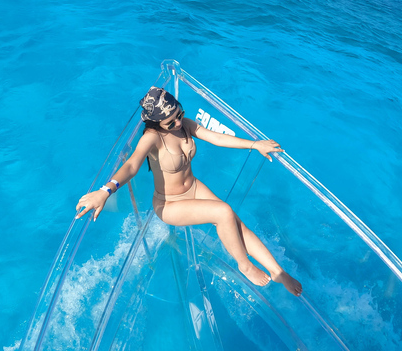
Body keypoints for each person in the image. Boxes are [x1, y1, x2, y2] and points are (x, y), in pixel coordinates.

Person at [76, 86, 302, 296]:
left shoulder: (185, 124)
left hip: (193, 187)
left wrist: (255, 144)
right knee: (223, 212)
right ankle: (245, 266)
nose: (177, 123)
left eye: (179, 114)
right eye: (170, 121)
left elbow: (217, 138)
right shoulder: (152, 137)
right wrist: (105, 191)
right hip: (168, 204)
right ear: (156, 123)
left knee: (235, 221)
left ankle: (277, 272)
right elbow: (132, 165)